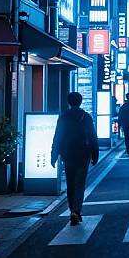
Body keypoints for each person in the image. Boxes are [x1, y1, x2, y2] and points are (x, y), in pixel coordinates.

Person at [51, 92, 99, 226]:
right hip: (83, 154)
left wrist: (54, 155)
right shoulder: (86, 117)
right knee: (80, 184)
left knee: (70, 184)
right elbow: (92, 136)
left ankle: (72, 209)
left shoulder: (64, 117)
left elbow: (58, 136)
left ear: (69, 102)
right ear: (80, 101)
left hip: (68, 154)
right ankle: (76, 210)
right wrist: (95, 153)